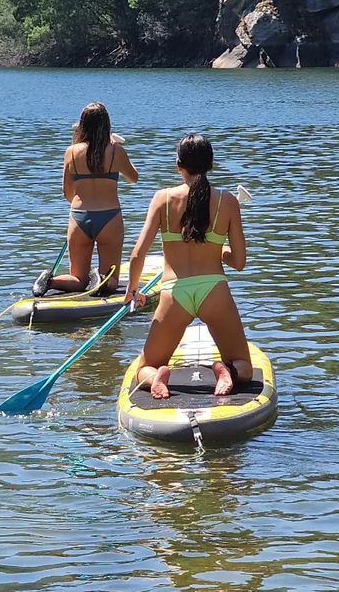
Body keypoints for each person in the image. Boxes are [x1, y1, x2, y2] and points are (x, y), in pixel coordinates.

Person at [123, 133, 252, 400]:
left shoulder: (162, 198)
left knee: (143, 369)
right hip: (214, 291)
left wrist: (133, 290)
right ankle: (227, 371)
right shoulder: (228, 201)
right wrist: (217, 250)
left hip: (174, 292)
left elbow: (137, 255)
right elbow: (239, 262)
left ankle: (157, 377)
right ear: (210, 164)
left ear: (178, 165)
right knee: (245, 367)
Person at [33, 102, 138, 297]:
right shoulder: (115, 151)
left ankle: (50, 281)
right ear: (106, 125)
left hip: (79, 217)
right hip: (109, 218)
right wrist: (119, 149)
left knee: (78, 280)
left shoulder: (71, 152)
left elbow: (67, 192)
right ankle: (100, 278)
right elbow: (133, 178)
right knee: (111, 281)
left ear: (82, 125)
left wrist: (82, 206)